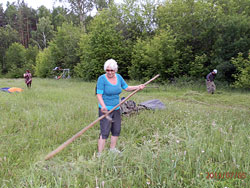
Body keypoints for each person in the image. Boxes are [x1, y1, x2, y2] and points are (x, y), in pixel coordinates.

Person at [96, 59, 145, 156]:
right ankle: (100, 154)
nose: (109, 72)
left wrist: (138, 87)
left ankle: (112, 149)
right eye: (108, 70)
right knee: (105, 131)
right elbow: (99, 94)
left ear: (115, 70)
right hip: (105, 109)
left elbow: (126, 88)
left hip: (117, 108)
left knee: (116, 129)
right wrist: (104, 107)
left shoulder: (119, 77)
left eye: (112, 70)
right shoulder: (102, 79)